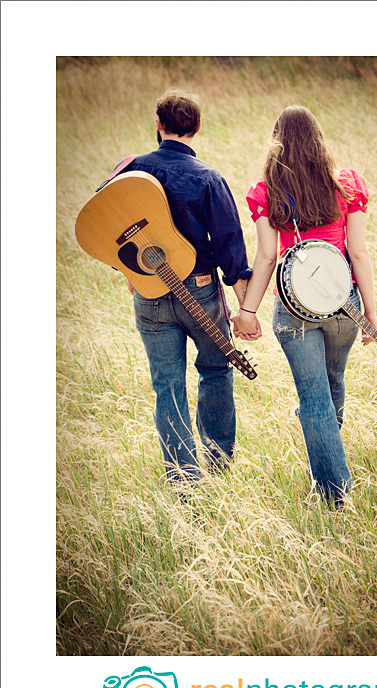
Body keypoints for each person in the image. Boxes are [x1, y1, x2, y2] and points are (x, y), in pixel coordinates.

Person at [231, 105, 377, 508]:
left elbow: (264, 257)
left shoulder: (266, 192)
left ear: (276, 143)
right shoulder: (347, 186)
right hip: (342, 305)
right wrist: (371, 314)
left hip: (293, 309)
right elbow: (359, 253)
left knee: (313, 396)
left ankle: (335, 494)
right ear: (319, 140)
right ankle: (333, 463)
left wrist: (247, 311)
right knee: (332, 383)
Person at [120, 88, 255, 486]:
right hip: (200, 292)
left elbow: (105, 226)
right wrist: (244, 311)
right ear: (197, 127)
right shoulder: (209, 178)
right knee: (215, 372)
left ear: (158, 125)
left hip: (150, 295)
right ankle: (218, 466)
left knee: (167, 386)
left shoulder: (128, 171)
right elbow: (232, 251)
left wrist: (132, 274)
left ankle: (184, 481)